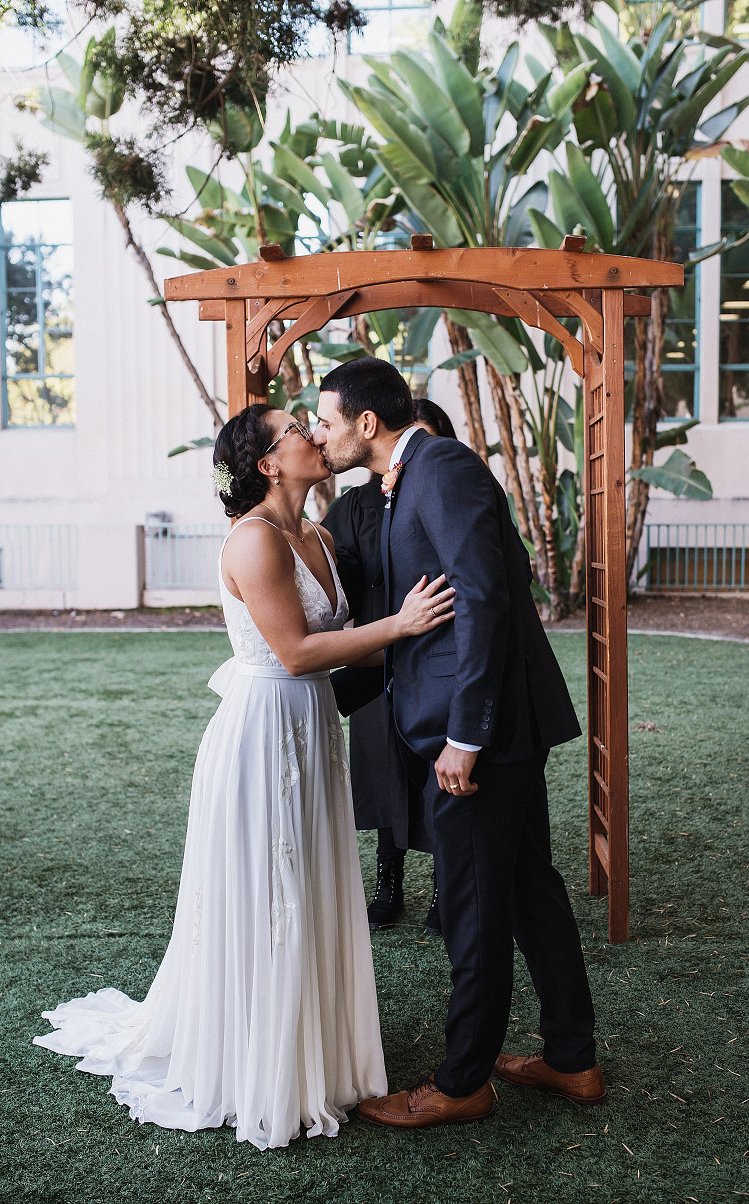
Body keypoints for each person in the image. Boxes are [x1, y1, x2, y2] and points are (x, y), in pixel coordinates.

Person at [33, 404, 455, 1151]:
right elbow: (295, 652)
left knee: (311, 883)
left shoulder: (317, 535)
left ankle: (316, 1054)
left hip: (313, 725)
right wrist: (400, 626)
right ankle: (261, 1065)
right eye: (299, 428)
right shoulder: (255, 540)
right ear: (267, 463)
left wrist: (422, 642)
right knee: (272, 890)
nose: (315, 435)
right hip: (263, 733)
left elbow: (340, 646)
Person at [313, 357, 605, 1130]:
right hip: (487, 729)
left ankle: (462, 1080)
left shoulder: (440, 465)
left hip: (481, 737)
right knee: (531, 891)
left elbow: (482, 600)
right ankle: (573, 1059)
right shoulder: (401, 481)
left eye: (328, 420)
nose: (324, 433)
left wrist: (464, 738)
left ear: (366, 423)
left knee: (477, 908)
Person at [323, 398, 458, 934]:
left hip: (437, 659)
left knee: (439, 777)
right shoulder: (357, 506)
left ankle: (448, 889)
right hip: (378, 657)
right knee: (385, 775)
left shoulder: (447, 494)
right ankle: (388, 883)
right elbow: (333, 578)